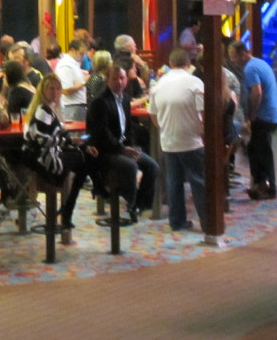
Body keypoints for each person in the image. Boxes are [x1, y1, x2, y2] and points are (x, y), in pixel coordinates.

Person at [22, 73, 97, 229]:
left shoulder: (50, 109)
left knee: (85, 157)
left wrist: (77, 143)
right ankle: (70, 209)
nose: (55, 92)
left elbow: (61, 136)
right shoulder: (43, 111)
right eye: (51, 89)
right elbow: (43, 140)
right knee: (86, 160)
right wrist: (70, 142)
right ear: (43, 90)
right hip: (45, 160)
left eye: (58, 89)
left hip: (47, 155)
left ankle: (68, 209)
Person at [85, 62, 158, 223]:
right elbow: (102, 134)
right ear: (108, 80)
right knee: (130, 166)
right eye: (115, 79)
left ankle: (139, 205)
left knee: (152, 166)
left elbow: (128, 127)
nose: (119, 82)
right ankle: (128, 204)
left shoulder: (125, 98)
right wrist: (122, 149)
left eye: (122, 78)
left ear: (126, 80)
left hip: (121, 147)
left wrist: (131, 146)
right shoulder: (100, 102)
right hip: (104, 151)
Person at [150, 48, 207, 233]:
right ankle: (208, 222)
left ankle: (177, 221)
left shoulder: (158, 85)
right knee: (198, 181)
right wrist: (203, 132)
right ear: (188, 64)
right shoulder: (195, 82)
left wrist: (164, 128)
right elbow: (204, 113)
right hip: (192, 140)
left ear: (170, 63)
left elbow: (153, 115)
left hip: (168, 141)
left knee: (173, 182)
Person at [227, 40, 277, 201]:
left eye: (234, 57)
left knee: (262, 152)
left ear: (243, 54)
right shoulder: (259, 63)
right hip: (270, 114)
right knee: (255, 149)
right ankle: (259, 184)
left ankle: (268, 187)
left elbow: (256, 92)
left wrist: (252, 114)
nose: (233, 61)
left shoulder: (250, 68)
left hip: (264, 116)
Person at [54, 39, 88, 116]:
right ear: (73, 50)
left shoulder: (73, 63)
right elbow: (65, 90)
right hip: (70, 107)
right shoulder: (66, 65)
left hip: (76, 106)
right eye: (81, 53)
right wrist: (84, 82)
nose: (83, 57)